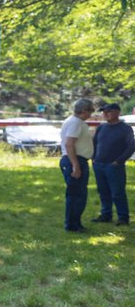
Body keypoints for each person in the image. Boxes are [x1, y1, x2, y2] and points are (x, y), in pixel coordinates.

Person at [91, 102, 134, 226]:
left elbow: (131, 146)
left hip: (114, 166)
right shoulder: (101, 127)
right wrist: (93, 158)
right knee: (103, 191)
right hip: (99, 164)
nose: (105, 114)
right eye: (104, 111)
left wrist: (119, 161)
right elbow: (94, 143)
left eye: (109, 111)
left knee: (117, 192)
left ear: (117, 112)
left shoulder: (125, 128)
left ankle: (123, 217)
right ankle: (106, 214)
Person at [60, 98, 95, 232]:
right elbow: (70, 144)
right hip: (75, 160)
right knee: (76, 195)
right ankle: (72, 225)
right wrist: (76, 165)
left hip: (74, 159)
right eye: (90, 111)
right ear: (83, 110)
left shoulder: (73, 121)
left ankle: (75, 222)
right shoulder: (76, 123)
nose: (91, 114)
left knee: (78, 194)